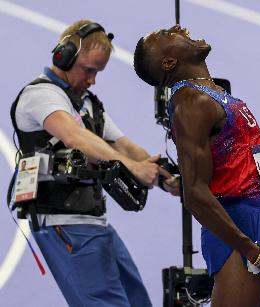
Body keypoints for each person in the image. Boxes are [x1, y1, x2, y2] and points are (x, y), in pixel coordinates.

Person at [10, 19, 178, 307]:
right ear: (63, 57)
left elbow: (122, 144)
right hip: (63, 223)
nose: (92, 80)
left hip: (94, 222)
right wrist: (133, 168)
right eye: (88, 70)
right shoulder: (40, 96)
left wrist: (165, 179)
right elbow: (76, 137)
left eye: (97, 73)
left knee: (138, 303)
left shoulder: (86, 103)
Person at [133, 25, 260, 306]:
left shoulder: (212, 94)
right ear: (169, 62)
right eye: (168, 33)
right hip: (238, 224)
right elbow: (195, 195)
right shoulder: (191, 103)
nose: (179, 28)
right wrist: (256, 252)